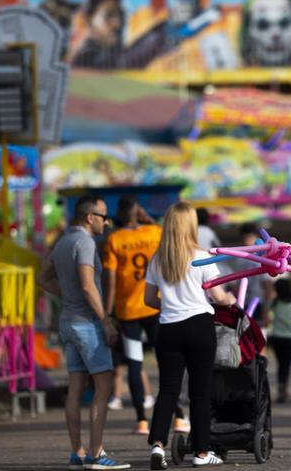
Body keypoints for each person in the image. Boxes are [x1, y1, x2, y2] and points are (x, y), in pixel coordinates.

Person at [39, 195, 129, 470]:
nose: (107, 221)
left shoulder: (63, 242)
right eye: (103, 216)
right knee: (103, 386)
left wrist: (68, 296)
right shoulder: (86, 242)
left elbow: (43, 277)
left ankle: (77, 452)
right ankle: (97, 453)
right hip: (87, 324)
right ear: (89, 218)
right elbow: (89, 286)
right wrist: (106, 321)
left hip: (68, 321)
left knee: (76, 388)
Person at [144, 202, 236, 469]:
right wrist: (229, 299)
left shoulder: (158, 258)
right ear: (191, 225)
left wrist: (173, 305)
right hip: (199, 326)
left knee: (168, 391)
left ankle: (158, 446)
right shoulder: (202, 256)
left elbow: (149, 299)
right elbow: (218, 297)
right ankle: (201, 451)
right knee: (200, 392)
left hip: (169, 328)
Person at [103, 195, 187, 435]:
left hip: (128, 311)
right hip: (155, 307)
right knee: (166, 362)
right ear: (138, 212)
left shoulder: (115, 239)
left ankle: (141, 420)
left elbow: (110, 280)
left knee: (134, 363)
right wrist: (147, 218)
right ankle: (179, 416)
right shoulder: (154, 232)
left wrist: (108, 313)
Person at [269, 278, 291, 403]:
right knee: (285, 365)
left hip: (275, 338)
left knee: (281, 364)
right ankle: (283, 389)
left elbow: (266, 319)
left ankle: (281, 387)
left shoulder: (274, 303)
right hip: (289, 339)